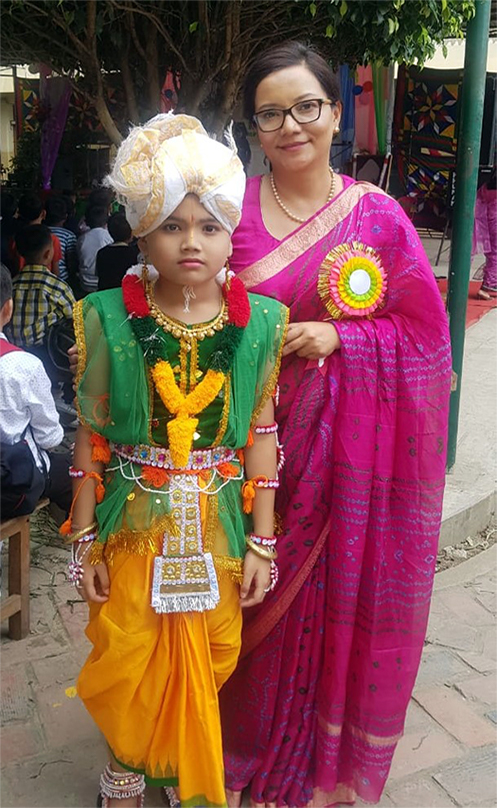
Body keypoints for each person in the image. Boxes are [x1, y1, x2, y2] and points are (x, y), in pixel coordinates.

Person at [218, 41, 452, 808]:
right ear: (252, 126)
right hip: (240, 460)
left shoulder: (375, 216)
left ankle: (311, 768)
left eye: (306, 106)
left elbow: (425, 341)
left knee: (322, 606)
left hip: (344, 469)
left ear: (334, 111)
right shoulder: (227, 213)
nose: (291, 126)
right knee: (242, 611)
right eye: (270, 113)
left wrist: (341, 337)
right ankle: (229, 750)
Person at [68, 113, 288, 808]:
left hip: (219, 527)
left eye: (209, 225)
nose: (191, 242)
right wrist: (81, 538)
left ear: (230, 234)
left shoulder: (264, 323)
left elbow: (261, 434)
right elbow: (90, 436)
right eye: (172, 224)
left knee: (215, 650)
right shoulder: (104, 317)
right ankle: (126, 771)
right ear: (140, 231)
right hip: (131, 519)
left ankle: (174, 759)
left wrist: (262, 541)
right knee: (126, 653)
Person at [0, 263, 72, 517]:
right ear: (8, 309)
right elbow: (49, 438)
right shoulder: (22, 365)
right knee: (74, 471)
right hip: (9, 486)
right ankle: (80, 540)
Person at [9, 225, 76, 410]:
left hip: (13, 356)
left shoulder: (11, 287)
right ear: (48, 254)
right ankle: (63, 399)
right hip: (49, 360)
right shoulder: (58, 287)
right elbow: (76, 321)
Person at [10, 193, 62, 275]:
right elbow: (55, 270)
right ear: (43, 213)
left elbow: (14, 267)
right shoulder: (51, 239)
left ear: (19, 213)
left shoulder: (15, 238)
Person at [95, 212, 140, 291]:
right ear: (131, 233)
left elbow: (98, 275)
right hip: (127, 294)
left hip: (106, 294)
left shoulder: (101, 253)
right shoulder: (135, 254)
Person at [473, 165, 497, 300]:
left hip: (488, 220)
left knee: (493, 252)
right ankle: (490, 286)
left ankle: (490, 284)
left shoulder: (487, 185)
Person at [77, 205, 113, 294]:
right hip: (102, 282)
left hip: (85, 283)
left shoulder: (82, 239)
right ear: (106, 222)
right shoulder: (109, 236)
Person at [45, 195, 78, 285]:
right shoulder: (69, 236)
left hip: (43, 276)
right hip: (63, 279)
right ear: (65, 216)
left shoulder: (40, 233)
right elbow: (72, 263)